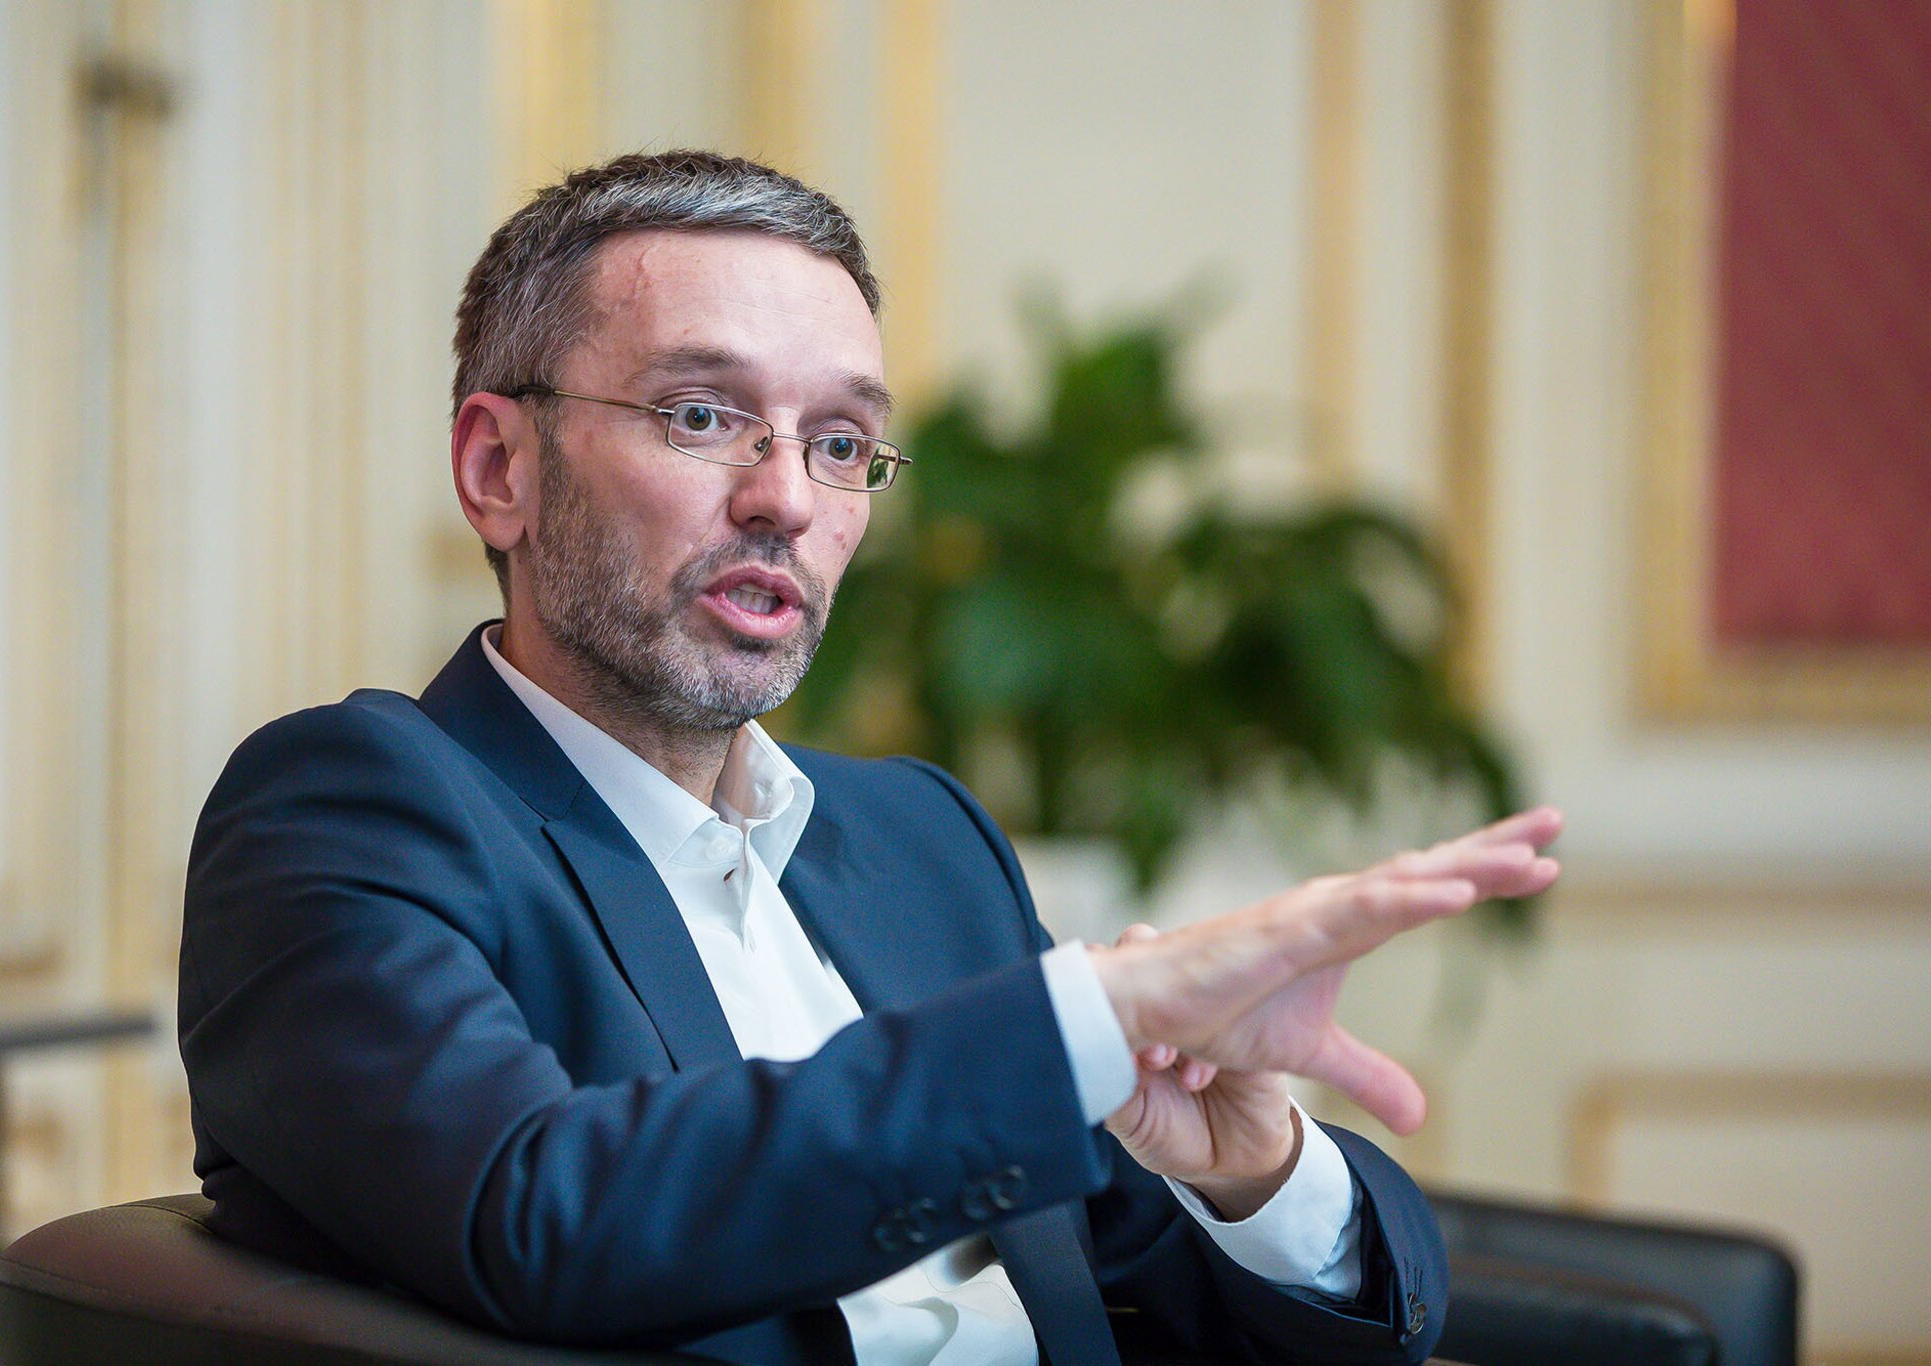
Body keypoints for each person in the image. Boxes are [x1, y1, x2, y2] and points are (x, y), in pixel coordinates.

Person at [178, 150, 1560, 1366]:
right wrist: (1085, 1016)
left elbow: (1228, 1286)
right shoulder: (351, 811)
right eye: (701, 414)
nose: (787, 498)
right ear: (501, 469)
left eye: (840, 442)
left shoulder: (920, 842)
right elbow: (540, 1211)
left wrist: (1253, 1168)